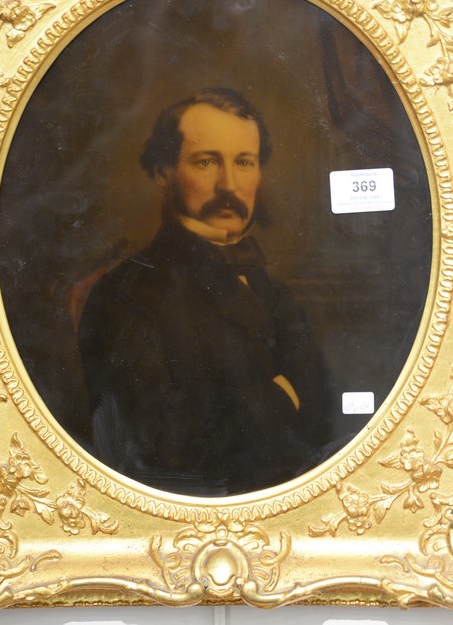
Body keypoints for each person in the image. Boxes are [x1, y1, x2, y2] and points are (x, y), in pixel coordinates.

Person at [78, 89, 330, 496]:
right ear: (163, 171)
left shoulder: (272, 290)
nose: (229, 185)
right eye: (207, 161)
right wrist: (283, 396)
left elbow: (324, 415)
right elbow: (158, 447)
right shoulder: (128, 294)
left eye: (244, 162)